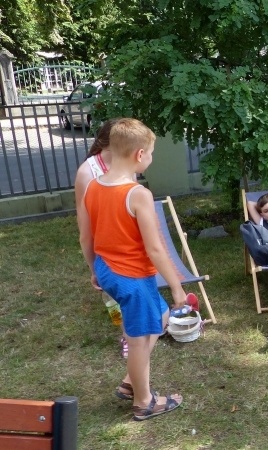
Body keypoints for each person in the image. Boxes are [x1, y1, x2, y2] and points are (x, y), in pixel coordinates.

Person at [78, 118, 185, 421]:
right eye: (151, 153)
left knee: (161, 316)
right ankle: (143, 401)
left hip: (108, 269)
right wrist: (176, 286)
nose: (150, 158)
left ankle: (130, 382)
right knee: (138, 341)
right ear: (140, 155)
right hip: (131, 277)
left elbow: (86, 237)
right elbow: (154, 248)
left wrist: (94, 270)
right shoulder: (137, 194)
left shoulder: (94, 186)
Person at [74, 118, 135, 359]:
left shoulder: (127, 162)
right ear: (110, 144)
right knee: (112, 295)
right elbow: (85, 224)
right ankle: (126, 335)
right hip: (105, 244)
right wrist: (93, 267)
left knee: (131, 290)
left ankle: (137, 330)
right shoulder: (87, 172)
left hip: (128, 241)